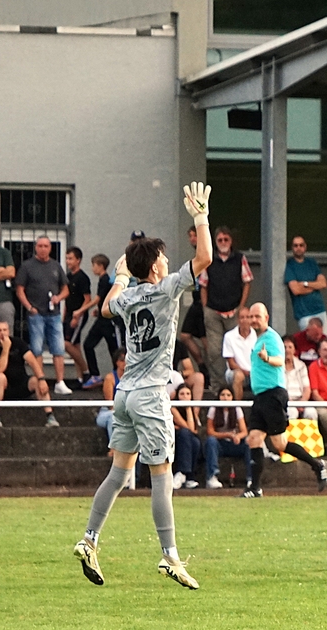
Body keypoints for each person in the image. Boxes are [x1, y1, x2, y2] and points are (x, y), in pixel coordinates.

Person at [74, 181, 212, 590]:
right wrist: (201, 217)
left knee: (118, 473)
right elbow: (204, 257)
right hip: (151, 396)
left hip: (124, 394)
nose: (168, 261)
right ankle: (170, 556)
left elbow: (106, 305)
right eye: (163, 257)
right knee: (161, 476)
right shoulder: (165, 288)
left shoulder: (129, 296)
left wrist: (120, 275)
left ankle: (89, 539)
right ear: (154, 267)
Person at [242, 302, 327, 498]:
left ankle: (318, 465)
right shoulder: (259, 339)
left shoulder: (271, 338)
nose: (254, 320)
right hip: (261, 395)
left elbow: (279, 360)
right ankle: (255, 488)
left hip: (273, 394)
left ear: (266, 318)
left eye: (257, 316)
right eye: (251, 316)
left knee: (280, 443)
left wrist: (267, 358)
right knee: (254, 439)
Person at [15, 236, 72, 395]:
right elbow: (19, 290)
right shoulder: (27, 266)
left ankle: (60, 382)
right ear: (35, 247)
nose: (43, 249)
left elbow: (66, 289)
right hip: (36, 314)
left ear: (50, 248)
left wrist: (58, 298)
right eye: (40, 246)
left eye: (46, 246)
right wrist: (29, 307)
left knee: (58, 348)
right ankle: (41, 381)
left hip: (54, 314)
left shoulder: (56, 266)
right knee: (37, 348)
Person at [198, 226, 252, 392]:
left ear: (231, 241)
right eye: (220, 240)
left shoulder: (240, 259)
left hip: (234, 312)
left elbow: (247, 282)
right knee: (215, 351)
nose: (223, 242)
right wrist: (206, 308)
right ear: (215, 242)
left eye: (226, 239)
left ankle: (235, 387)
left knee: (235, 350)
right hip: (213, 312)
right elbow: (203, 285)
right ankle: (218, 388)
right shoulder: (208, 260)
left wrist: (241, 307)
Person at [0, 320, 58, 428]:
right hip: (3, 388)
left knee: (36, 380)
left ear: (9, 331)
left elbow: (32, 361)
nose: (2, 333)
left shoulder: (18, 342)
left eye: (5, 330)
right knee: (0, 377)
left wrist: (42, 379)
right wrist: (6, 349)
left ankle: (50, 415)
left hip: (21, 383)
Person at [82, 254, 121, 390]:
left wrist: (80, 310)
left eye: (94, 265)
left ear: (100, 266)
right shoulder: (102, 280)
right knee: (88, 345)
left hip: (110, 322)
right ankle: (95, 375)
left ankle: (118, 377)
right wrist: (99, 311)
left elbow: (97, 299)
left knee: (114, 350)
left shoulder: (106, 280)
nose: (92, 268)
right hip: (101, 320)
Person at [204, 386, 252, 490]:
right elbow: (210, 431)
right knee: (210, 441)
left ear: (232, 397)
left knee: (249, 442)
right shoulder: (213, 408)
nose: (225, 398)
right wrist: (227, 435)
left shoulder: (237, 409)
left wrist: (237, 436)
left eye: (228, 395)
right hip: (220, 444)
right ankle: (212, 476)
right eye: (223, 395)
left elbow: (244, 431)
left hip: (234, 443)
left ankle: (251, 478)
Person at [63, 247, 93, 388]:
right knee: (75, 346)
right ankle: (80, 379)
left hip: (78, 315)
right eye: (67, 258)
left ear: (78, 260)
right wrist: (64, 316)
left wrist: (78, 314)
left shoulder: (83, 278)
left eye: (71, 258)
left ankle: (86, 372)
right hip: (69, 314)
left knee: (66, 344)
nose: (68, 261)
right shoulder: (68, 277)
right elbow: (67, 299)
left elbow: (87, 299)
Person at [285, 235, 327, 334]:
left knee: (323, 341)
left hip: (320, 309)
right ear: (292, 248)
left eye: (301, 245)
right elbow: (296, 290)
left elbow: (323, 284)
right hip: (304, 313)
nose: (298, 248)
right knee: (307, 341)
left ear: (305, 247)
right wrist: (315, 286)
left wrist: (305, 284)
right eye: (295, 245)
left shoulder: (311, 262)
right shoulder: (289, 265)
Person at [178, 226, 207, 369]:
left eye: (194, 235)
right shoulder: (196, 256)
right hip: (195, 302)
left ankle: (212, 370)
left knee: (206, 339)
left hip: (205, 302)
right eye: (190, 236)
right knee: (185, 335)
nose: (192, 239)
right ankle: (202, 365)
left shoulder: (207, 254)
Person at [170, 384, 202, 490]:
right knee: (184, 433)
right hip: (174, 437)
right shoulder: (173, 407)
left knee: (196, 442)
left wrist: (188, 409)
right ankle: (181, 472)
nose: (185, 396)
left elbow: (193, 430)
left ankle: (188, 477)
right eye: (182, 394)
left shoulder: (192, 410)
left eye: (188, 394)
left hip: (187, 438)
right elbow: (188, 428)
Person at [221, 306, 256, 400]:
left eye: (248, 317)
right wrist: (246, 372)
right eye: (242, 317)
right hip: (235, 372)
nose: (245, 320)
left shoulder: (257, 336)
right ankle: (237, 407)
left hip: (254, 373)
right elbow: (231, 364)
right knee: (239, 376)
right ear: (238, 320)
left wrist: (254, 373)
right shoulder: (229, 336)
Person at [96, 348, 126, 450]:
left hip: (127, 410)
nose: (125, 362)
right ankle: (114, 448)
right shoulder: (110, 378)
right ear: (116, 362)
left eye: (127, 360)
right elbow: (110, 404)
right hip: (108, 411)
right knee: (113, 418)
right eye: (122, 360)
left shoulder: (134, 379)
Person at [283, 336, 316, 421]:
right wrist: (293, 403)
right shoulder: (277, 366)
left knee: (311, 412)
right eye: (284, 347)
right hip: (285, 400)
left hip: (301, 399)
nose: (287, 350)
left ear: (294, 350)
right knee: (292, 412)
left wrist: (301, 403)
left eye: (290, 347)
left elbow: (307, 388)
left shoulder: (301, 365)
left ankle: (308, 431)